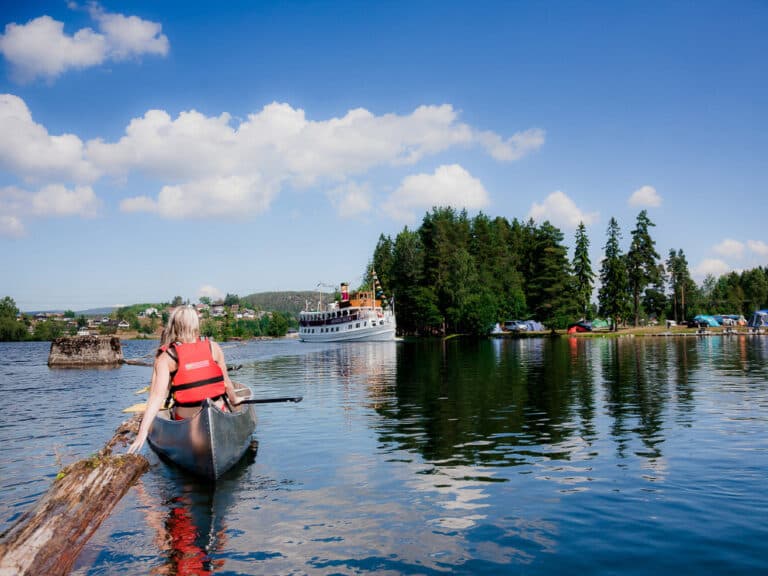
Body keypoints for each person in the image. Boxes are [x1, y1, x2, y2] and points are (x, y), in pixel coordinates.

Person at [128, 306, 240, 454]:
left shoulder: (166, 358)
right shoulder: (214, 348)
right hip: (218, 412)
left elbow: (156, 397)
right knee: (224, 405)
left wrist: (143, 432)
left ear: (173, 326)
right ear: (196, 325)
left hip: (187, 420)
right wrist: (235, 401)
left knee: (173, 408)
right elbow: (227, 385)